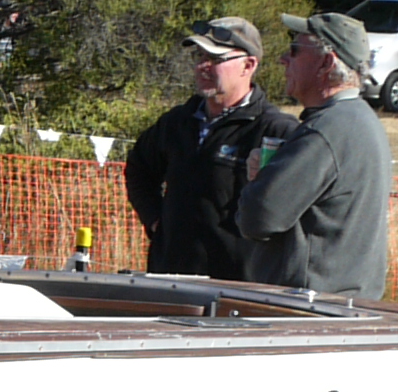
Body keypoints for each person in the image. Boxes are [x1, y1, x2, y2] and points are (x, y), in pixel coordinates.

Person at [123, 17, 299, 279]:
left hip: (238, 287)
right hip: (170, 279)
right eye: (199, 56)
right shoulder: (177, 122)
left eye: (215, 59)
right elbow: (139, 169)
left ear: (248, 65)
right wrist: (157, 221)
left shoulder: (275, 130)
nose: (202, 66)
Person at [244, 10, 395, 299]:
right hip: (345, 302)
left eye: (294, 50)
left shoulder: (325, 131)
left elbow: (259, 218)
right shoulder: (360, 120)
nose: (283, 59)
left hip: (308, 305)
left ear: (326, 63)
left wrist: (258, 183)